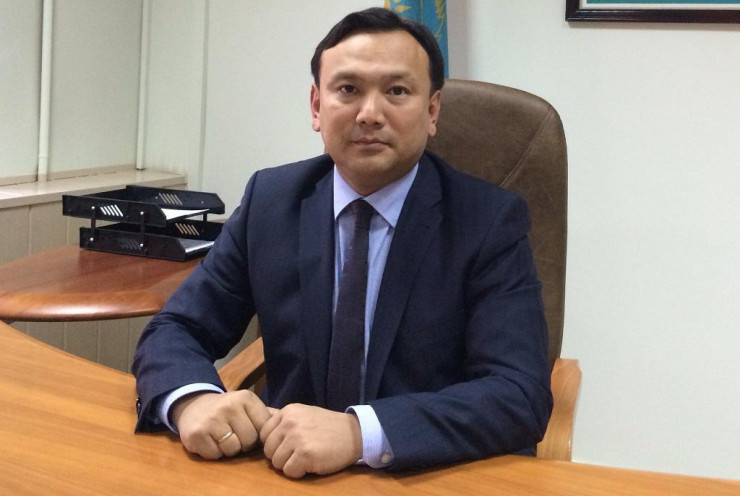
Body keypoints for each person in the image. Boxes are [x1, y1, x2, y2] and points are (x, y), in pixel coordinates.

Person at [133, 7, 552, 479]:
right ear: (317, 106)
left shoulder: (488, 220)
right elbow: (177, 328)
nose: (369, 114)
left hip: (420, 476)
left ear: (432, 111)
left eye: (397, 91)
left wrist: (360, 434)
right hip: (285, 473)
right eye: (348, 89)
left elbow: (518, 393)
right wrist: (191, 400)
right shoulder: (272, 201)